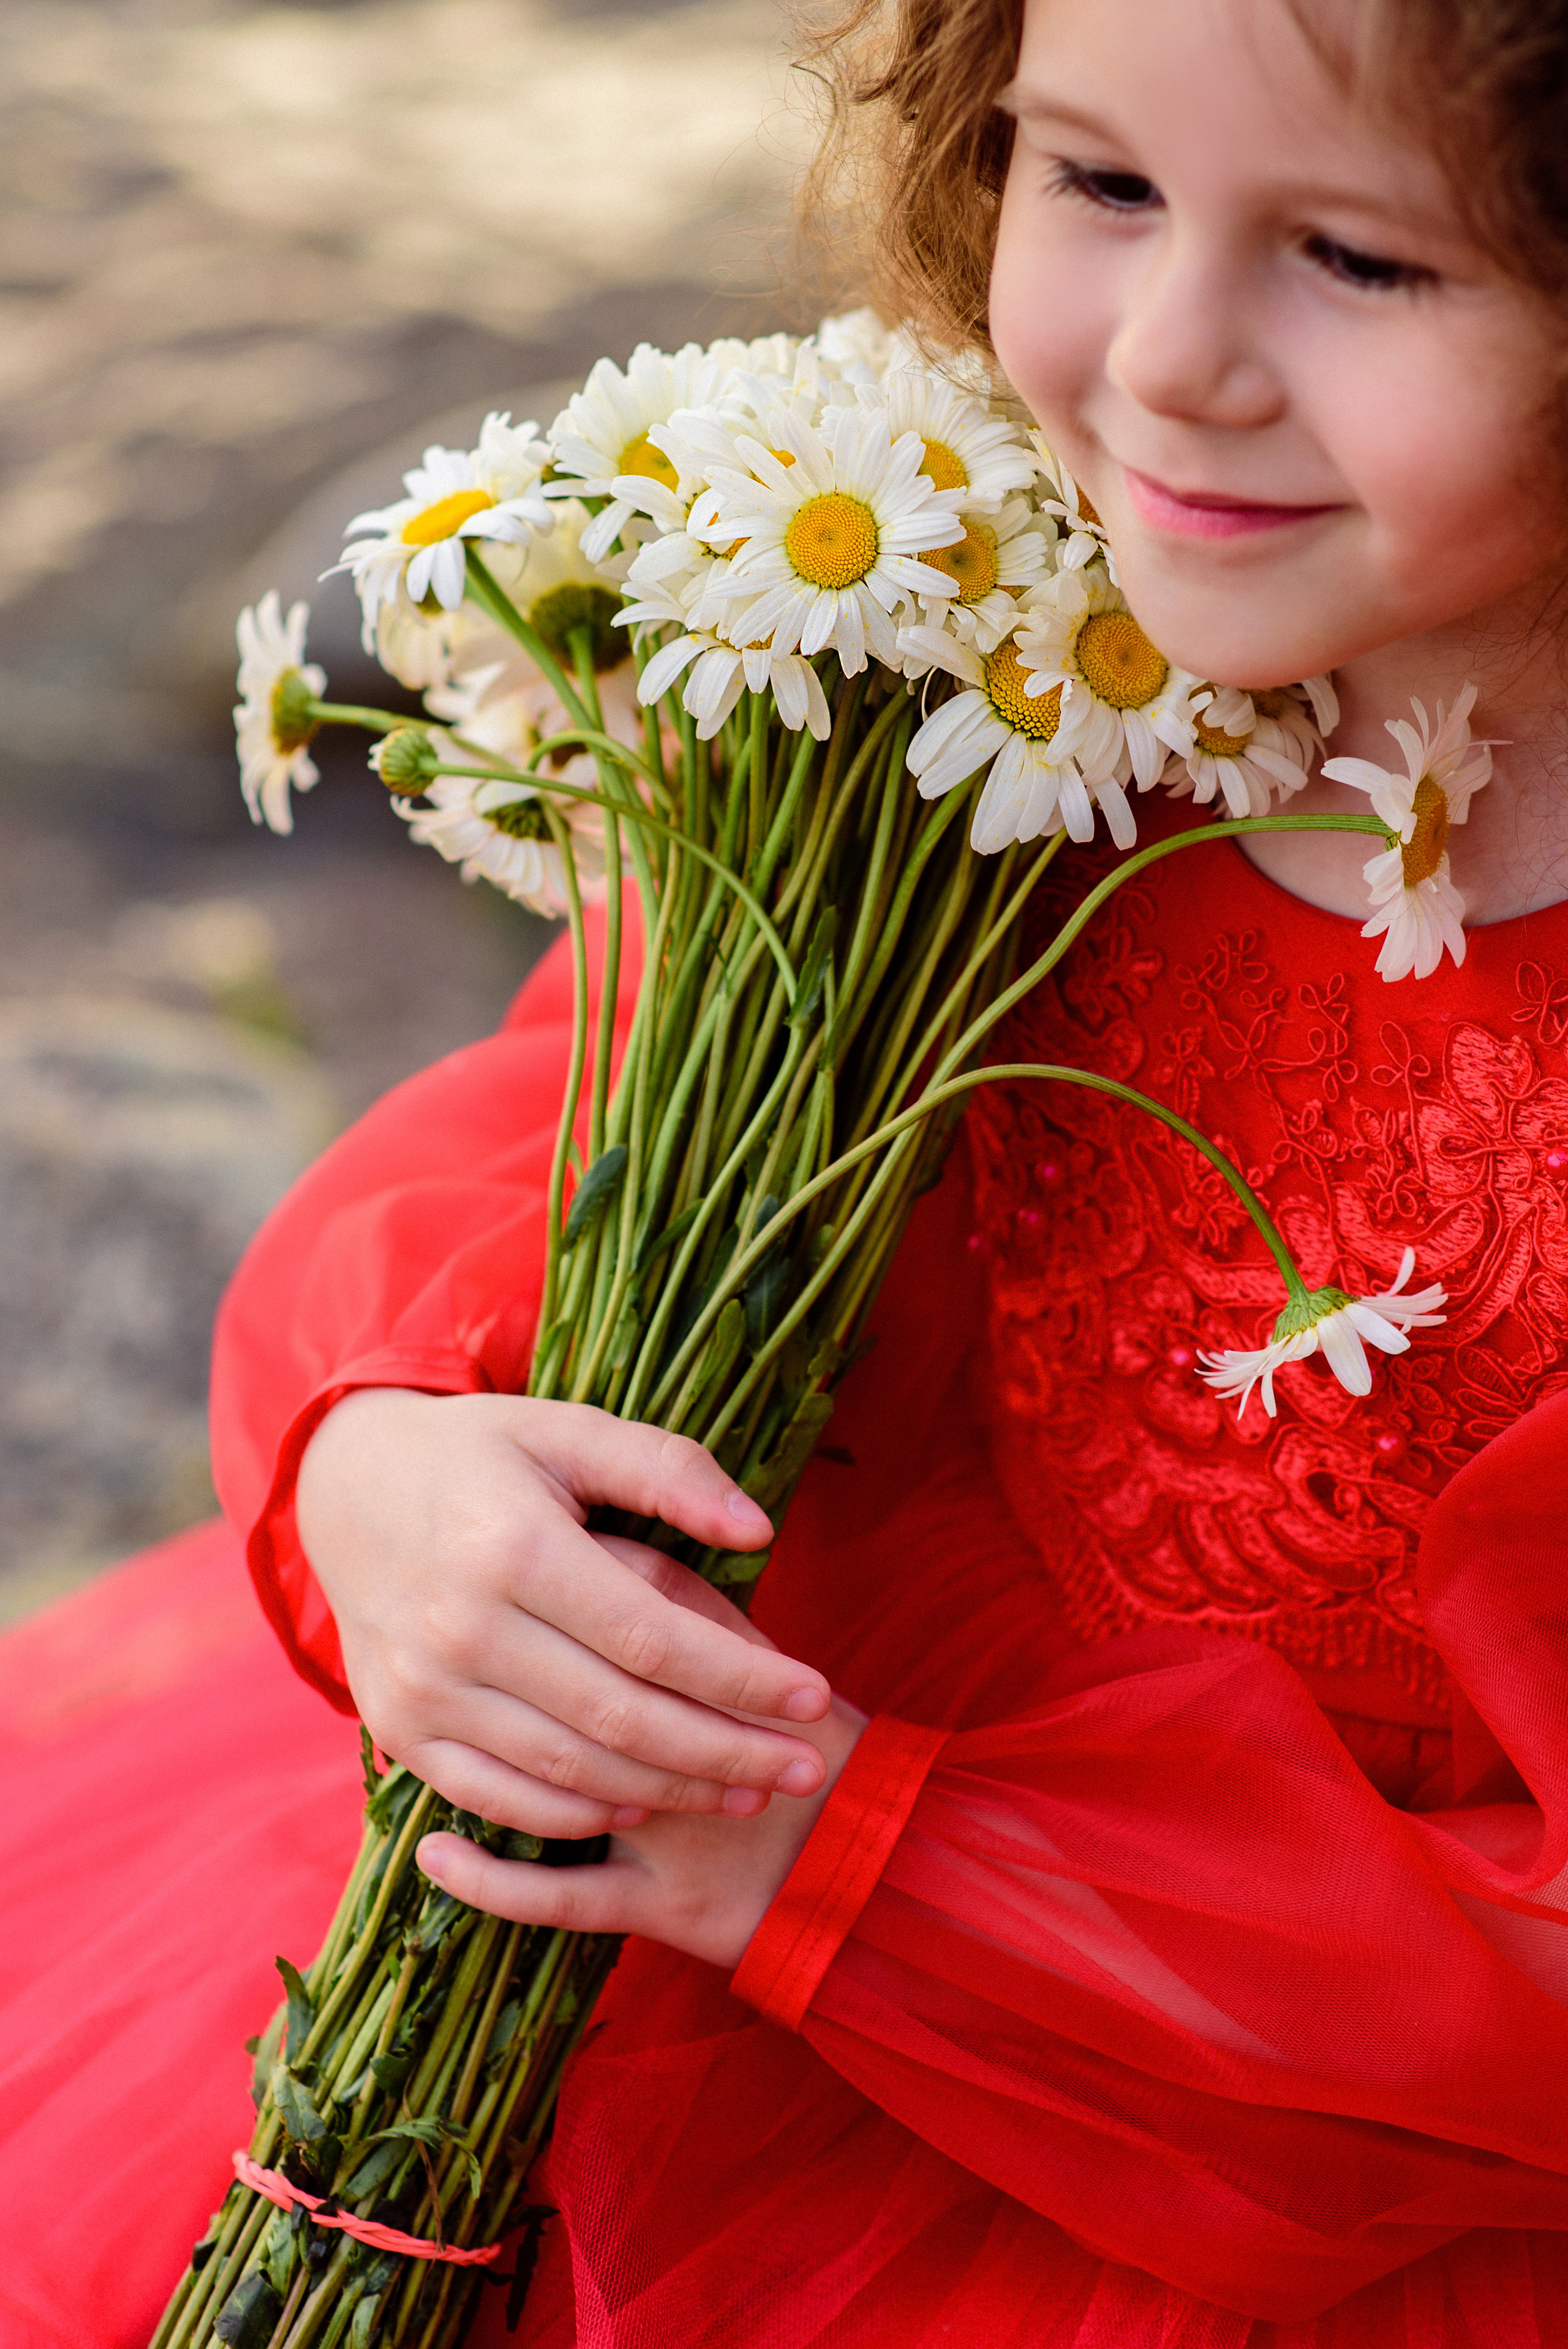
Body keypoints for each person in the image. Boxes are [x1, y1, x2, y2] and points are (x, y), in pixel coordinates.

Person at [7, 0, 1568, 2339]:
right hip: (700, 1889)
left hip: (1259, 2124)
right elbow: (576, 1122)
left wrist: (858, 1861)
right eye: (1100, 181)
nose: (1166, 359)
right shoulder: (1001, 648)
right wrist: (396, 1453)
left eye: (1356, 257)